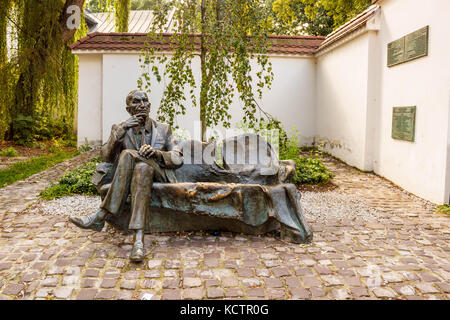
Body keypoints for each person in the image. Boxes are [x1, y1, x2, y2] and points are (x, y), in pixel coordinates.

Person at [69, 90, 183, 262]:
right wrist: (122, 131)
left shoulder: (163, 129)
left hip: (159, 174)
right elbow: (105, 156)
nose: (142, 105)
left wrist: (157, 154)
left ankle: (101, 215)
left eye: (145, 101)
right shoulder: (120, 128)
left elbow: (178, 157)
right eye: (137, 102)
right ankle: (138, 241)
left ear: (150, 106)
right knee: (142, 169)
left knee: (128, 155)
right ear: (129, 109)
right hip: (140, 176)